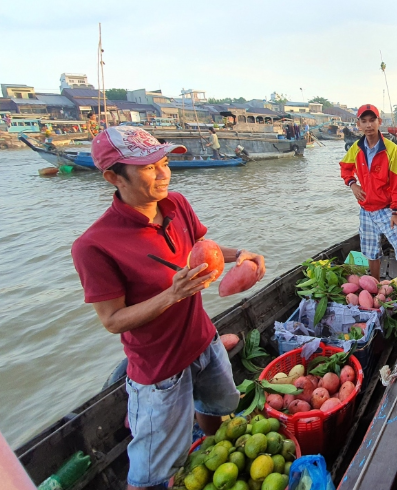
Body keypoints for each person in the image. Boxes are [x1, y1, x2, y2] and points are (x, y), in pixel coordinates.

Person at [71, 127, 266, 490]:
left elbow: (203, 247)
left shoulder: (176, 205)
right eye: (148, 168)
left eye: (163, 162)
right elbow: (112, 320)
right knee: (151, 473)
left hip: (205, 342)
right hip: (160, 372)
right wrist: (171, 296)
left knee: (219, 407)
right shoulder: (94, 245)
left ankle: (211, 447)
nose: (163, 174)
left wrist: (240, 255)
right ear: (113, 177)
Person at [340, 104, 397, 303]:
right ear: (358, 124)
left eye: (372, 120)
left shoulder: (391, 150)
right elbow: (345, 167)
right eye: (364, 121)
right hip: (366, 209)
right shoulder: (356, 148)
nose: (368, 125)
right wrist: (352, 184)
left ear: (379, 122)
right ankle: (375, 288)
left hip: (386, 209)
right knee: (370, 251)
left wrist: (395, 212)